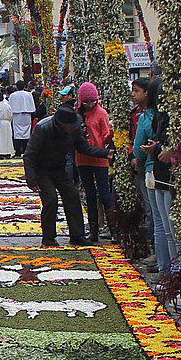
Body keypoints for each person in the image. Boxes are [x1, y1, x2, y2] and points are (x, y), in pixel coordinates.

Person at [23, 106, 103, 247]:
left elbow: (82, 147)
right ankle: (48, 238)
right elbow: (30, 155)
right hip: (42, 170)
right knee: (51, 199)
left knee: (72, 195)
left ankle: (77, 235)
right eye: (71, 127)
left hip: (59, 168)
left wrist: (104, 153)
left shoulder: (74, 127)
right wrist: (32, 180)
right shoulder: (43, 128)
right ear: (62, 125)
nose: (73, 128)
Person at [133, 79, 179, 277]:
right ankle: (174, 272)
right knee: (167, 225)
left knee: (163, 225)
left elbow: (137, 150)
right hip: (160, 174)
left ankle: (166, 271)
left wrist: (151, 150)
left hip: (155, 172)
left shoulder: (148, 117)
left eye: (136, 91)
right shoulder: (164, 117)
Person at [74, 83, 114, 242]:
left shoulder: (101, 113)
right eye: (86, 102)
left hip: (99, 159)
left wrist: (109, 136)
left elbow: (105, 136)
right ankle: (93, 231)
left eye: (92, 101)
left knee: (105, 195)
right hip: (82, 159)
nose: (90, 105)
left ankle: (113, 230)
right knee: (89, 195)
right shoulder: (78, 114)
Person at [7, 82, 36, 155]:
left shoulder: (13, 95)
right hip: (26, 115)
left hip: (17, 116)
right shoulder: (29, 94)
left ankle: (18, 151)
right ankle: (25, 150)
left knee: (17, 133)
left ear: (16, 87)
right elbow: (32, 106)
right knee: (26, 133)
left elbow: (10, 107)